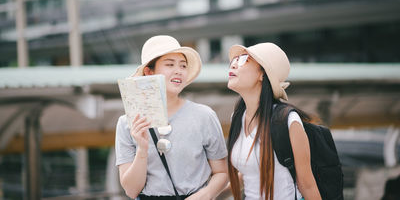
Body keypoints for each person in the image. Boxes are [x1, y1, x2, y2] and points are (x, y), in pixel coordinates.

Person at [115, 35, 228, 200]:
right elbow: (131, 191)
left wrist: (204, 195)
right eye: (169, 64)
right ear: (149, 71)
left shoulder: (204, 116)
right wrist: (142, 149)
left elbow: (222, 172)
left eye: (183, 66)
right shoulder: (127, 123)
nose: (178, 70)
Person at [226, 42, 322, 200]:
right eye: (234, 60)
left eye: (244, 60)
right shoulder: (237, 118)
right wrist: (210, 194)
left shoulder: (287, 120)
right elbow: (250, 173)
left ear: (262, 75)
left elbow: (307, 185)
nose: (234, 65)